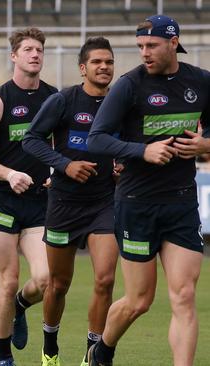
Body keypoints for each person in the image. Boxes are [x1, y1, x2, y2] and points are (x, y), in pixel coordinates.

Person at [87, 15, 209, 366]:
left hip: (181, 203)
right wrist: (142, 150)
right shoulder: (129, 85)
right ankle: (104, 348)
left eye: (151, 45)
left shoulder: (201, 82)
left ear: (173, 43)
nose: (144, 53)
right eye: (140, 46)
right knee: (139, 300)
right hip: (136, 205)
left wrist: (204, 144)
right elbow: (97, 138)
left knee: (184, 296)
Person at [22, 37, 119, 366]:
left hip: (105, 202)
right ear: (83, 68)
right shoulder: (63, 101)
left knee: (105, 279)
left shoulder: (120, 102)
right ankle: (50, 347)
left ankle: (93, 354)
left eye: (108, 61)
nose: (104, 67)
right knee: (59, 284)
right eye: (97, 62)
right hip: (64, 204)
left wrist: (123, 166)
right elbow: (30, 140)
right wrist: (65, 165)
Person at [0, 27, 57, 366]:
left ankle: (22, 306)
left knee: (46, 279)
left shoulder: (55, 98)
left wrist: (57, 172)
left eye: (39, 50)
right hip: (4, 201)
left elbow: (63, 146)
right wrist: (9, 173)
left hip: (40, 202)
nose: (35, 55)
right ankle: (3, 357)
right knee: (7, 282)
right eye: (28, 50)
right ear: (14, 56)